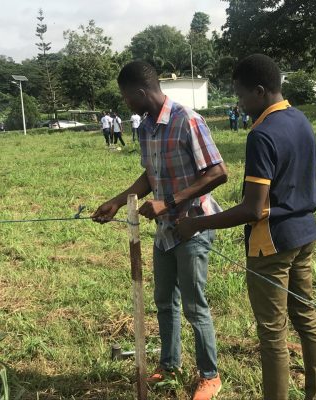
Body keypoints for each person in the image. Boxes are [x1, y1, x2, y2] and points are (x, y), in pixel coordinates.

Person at [177, 54, 316, 400]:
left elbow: (252, 208)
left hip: (271, 244)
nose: (240, 104)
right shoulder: (300, 119)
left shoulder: (262, 133)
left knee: (273, 334)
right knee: (307, 320)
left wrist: (197, 224)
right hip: (304, 236)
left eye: (241, 96)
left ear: (260, 92)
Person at [92, 60, 227, 400]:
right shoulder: (146, 127)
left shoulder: (187, 120)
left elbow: (217, 173)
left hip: (192, 226)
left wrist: (169, 202)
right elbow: (149, 176)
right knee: (165, 301)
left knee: (195, 305)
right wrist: (119, 201)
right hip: (165, 232)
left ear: (140, 92)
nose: (126, 105)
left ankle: (209, 375)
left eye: (126, 98)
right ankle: (170, 365)